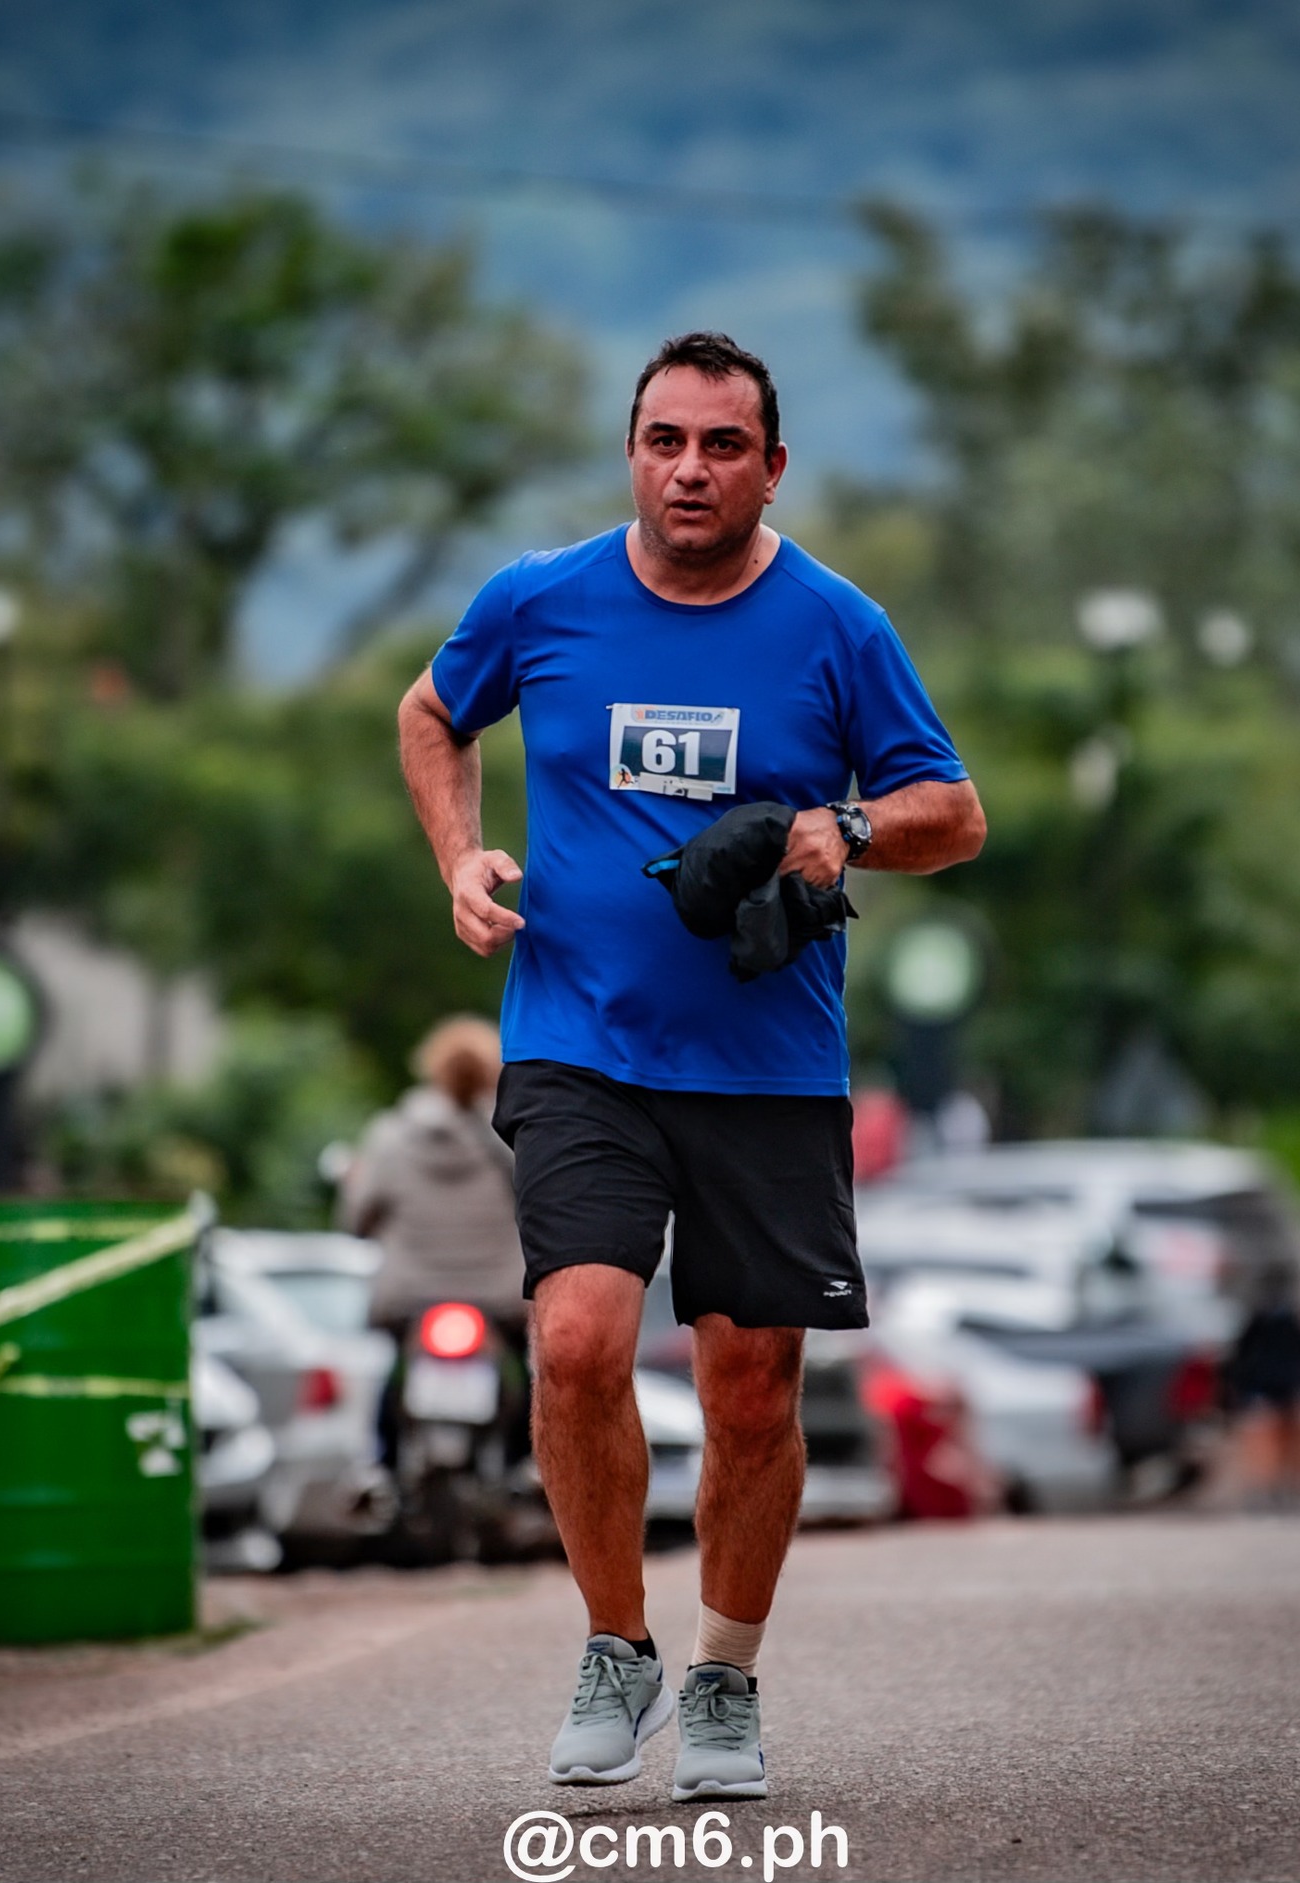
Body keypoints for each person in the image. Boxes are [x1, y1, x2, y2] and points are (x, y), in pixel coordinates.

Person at [397, 331, 984, 1799]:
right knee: (582, 1340)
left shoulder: (839, 625)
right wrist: (461, 854)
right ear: (633, 451)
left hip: (768, 1060)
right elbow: (430, 713)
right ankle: (615, 1642)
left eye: (724, 445)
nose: (691, 469)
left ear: (772, 466)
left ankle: (722, 1672)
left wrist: (841, 829)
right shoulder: (538, 602)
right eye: (666, 440)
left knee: (749, 1384)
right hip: (579, 1038)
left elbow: (955, 811)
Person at [343, 1016, 529, 1469]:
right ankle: (524, 1465)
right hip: (498, 1301)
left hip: (412, 1297)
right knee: (524, 1376)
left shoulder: (389, 1138)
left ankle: (381, 1469)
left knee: (393, 1376)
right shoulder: (515, 1139)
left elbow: (356, 1220)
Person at [1225, 1268, 1300, 1512]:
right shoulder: (1262, 1318)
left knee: (1285, 1440)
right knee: (1265, 1440)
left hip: (1283, 1386)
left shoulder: (1289, 1318)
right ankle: (1263, 1489)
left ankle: (1283, 1489)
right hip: (1265, 1387)